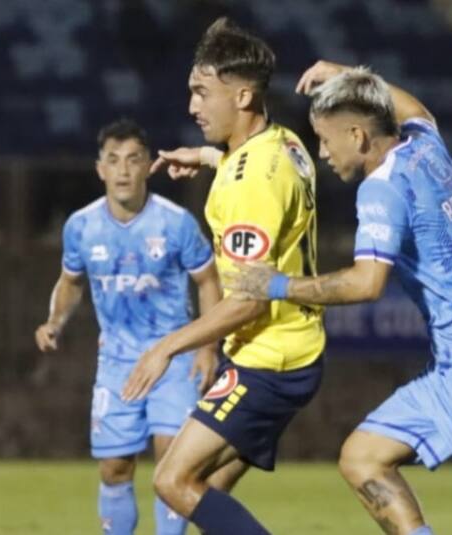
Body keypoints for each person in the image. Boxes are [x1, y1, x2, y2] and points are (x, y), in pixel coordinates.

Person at [226, 61, 452, 535]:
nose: (323, 153)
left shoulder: (381, 190)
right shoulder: (423, 146)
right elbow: (415, 107)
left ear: (358, 135)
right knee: (363, 458)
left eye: (327, 140)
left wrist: (278, 285)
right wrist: (350, 75)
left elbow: (367, 283)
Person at [121, 18, 325, 535]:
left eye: (202, 92)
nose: (192, 106)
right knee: (207, 498)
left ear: (243, 95)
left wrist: (168, 346)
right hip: (297, 347)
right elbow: (253, 166)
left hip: (267, 358)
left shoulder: (250, 184)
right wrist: (211, 157)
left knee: (172, 482)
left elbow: (249, 300)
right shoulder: (285, 143)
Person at [34, 118, 222, 535]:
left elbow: (209, 281)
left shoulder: (176, 223)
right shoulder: (81, 227)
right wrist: (54, 322)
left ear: (148, 166)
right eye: (113, 160)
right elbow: (70, 283)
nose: (123, 170)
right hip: (118, 363)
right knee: (115, 468)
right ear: (100, 168)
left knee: (171, 462)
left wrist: (208, 348)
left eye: (133, 160)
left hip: (175, 359)